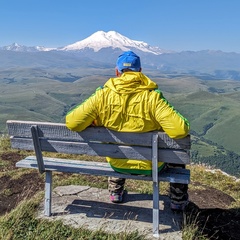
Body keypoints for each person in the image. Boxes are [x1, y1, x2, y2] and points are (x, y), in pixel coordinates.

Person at [66, 51, 190, 211]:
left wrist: (96, 121)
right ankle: (177, 201)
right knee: (176, 154)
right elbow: (180, 130)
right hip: (152, 165)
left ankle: (116, 192)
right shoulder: (152, 98)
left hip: (117, 163)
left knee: (118, 148)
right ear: (140, 71)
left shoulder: (102, 96)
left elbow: (72, 122)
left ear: (117, 72)